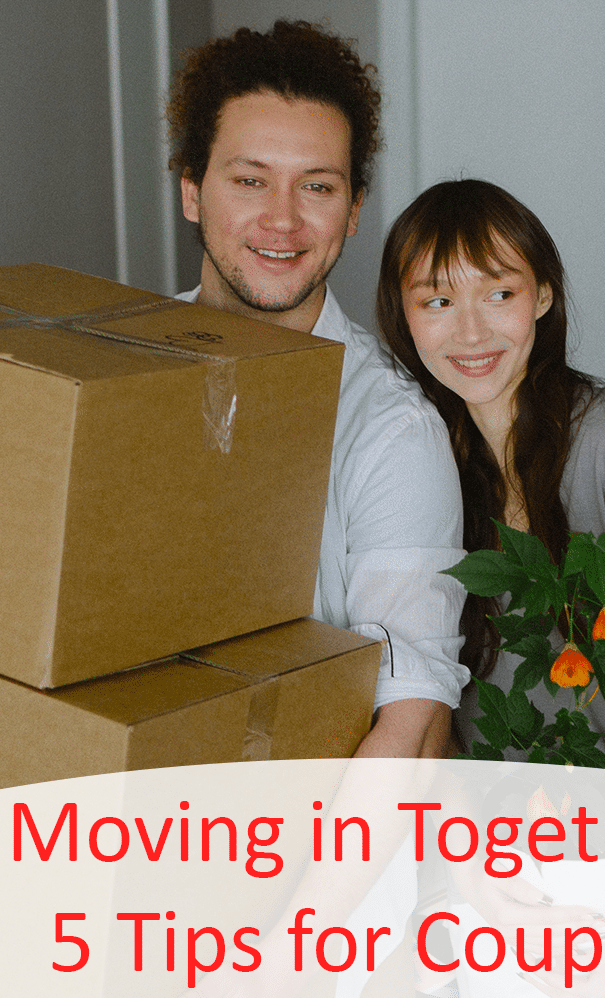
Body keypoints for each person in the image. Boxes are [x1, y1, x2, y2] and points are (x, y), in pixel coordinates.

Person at [376, 179, 605, 785]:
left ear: (544, 295)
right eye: (437, 302)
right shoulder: (416, 456)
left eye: (499, 293)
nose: (471, 333)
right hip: (498, 841)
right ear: (404, 312)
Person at [166, 21, 467, 759]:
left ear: (354, 211)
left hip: (311, 838)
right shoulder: (109, 378)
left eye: (318, 187)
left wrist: (316, 883)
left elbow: (411, 720)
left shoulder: (393, 430)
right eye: (249, 179)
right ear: (191, 192)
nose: (283, 219)